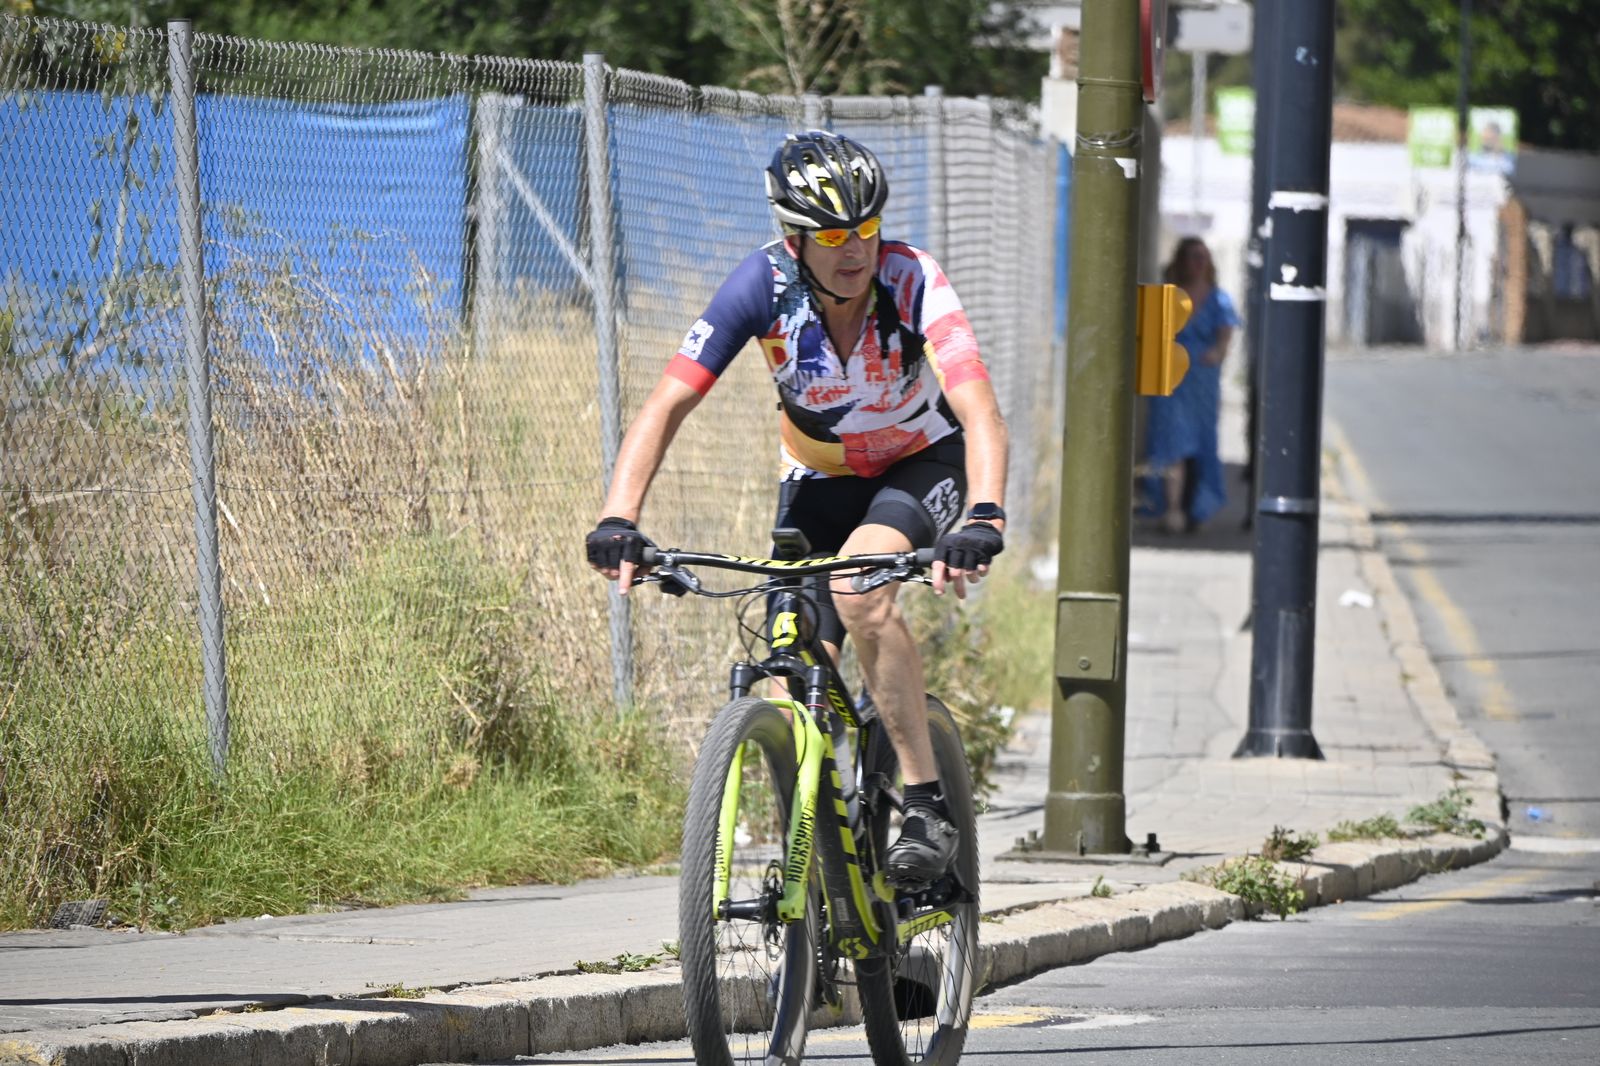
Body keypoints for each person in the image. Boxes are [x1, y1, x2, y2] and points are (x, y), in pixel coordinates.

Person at [584, 131, 1009, 886]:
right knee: (789, 670)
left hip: (919, 463)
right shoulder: (761, 286)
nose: (856, 250)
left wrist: (984, 515)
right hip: (817, 479)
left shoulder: (911, 279)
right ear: (794, 239)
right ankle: (821, 880)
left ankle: (924, 801)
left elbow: (978, 408)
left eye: (867, 229)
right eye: (835, 235)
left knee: (858, 588)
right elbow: (667, 402)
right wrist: (620, 518)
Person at [1141, 237, 1239, 533]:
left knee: (1201, 447)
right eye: (1194, 256)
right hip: (1171, 381)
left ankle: (1194, 507)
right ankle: (1171, 509)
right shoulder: (1169, 296)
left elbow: (1225, 337)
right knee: (1172, 444)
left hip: (1201, 385)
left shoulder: (1219, 299)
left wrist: (1217, 353)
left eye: (1204, 257)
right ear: (1181, 261)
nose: (1199, 263)